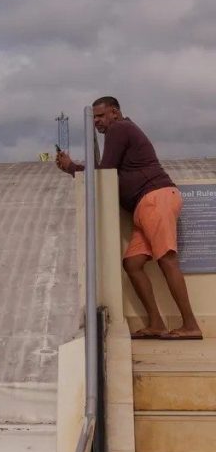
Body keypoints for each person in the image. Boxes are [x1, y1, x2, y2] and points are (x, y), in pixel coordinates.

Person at [55, 96, 202, 340]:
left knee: (166, 260)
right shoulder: (121, 130)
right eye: (94, 118)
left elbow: (105, 173)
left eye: (101, 116)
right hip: (145, 207)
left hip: (155, 198)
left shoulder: (119, 128)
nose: (97, 122)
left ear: (114, 112)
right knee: (132, 264)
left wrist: (72, 167)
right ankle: (155, 323)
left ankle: (191, 325)